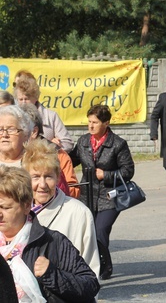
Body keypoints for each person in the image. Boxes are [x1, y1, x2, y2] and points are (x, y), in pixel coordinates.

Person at [0, 167, 100, 303]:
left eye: (6, 208)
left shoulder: (52, 242)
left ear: (26, 206)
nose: (0, 214)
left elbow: (90, 285)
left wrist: (52, 274)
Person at [69, 104, 134, 280]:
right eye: (89, 122)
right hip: (86, 195)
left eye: (95, 122)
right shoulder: (83, 141)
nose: (90, 126)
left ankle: (103, 264)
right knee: (87, 232)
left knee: (100, 230)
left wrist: (105, 174)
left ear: (106, 123)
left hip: (110, 197)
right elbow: (71, 161)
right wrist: (58, 152)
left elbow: (128, 171)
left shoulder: (118, 144)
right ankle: (99, 263)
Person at [21, 139, 100, 275]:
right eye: (35, 177)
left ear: (58, 178)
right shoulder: (18, 211)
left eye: (48, 177)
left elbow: (90, 267)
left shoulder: (78, 212)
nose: (42, 184)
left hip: (64, 292)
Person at [13, 76, 73, 152]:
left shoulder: (51, 116)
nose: (24, 102)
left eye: (27, 99)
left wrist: (52, 145)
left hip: (46, 161)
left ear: (36, 98)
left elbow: (68, 143)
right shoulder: (13, 117)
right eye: (20, 99)